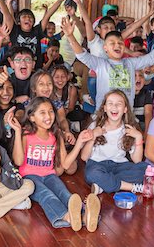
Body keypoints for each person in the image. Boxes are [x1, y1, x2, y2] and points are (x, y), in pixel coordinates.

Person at [10, 97, 96, 231]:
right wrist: (17, 132)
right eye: (42, 112)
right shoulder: (26, 135)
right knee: (46, 195)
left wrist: (79, 142)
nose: (48, 116)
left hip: (49, 175)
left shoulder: (56, 135)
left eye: (50, 112)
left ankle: (85, 216)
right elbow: (18, 161)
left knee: (64, 193)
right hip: (29, 177)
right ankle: (67, 217)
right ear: (32, 117)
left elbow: (66, 164)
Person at [80, 89, 154, 199]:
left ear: (125, 109)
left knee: (146, 168)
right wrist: (93, 136)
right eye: (110, 103)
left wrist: (139, 138)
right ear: (104, 108)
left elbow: (137, 160)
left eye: (119, 104)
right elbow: (84, 157)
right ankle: (135, 187)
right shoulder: (95, 126)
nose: (114, 107)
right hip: (97, 164)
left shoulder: (128, 129)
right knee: (91, 174)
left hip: (120, 166)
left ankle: (103, 185)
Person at [65, 17, 154, 109]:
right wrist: (70, 36)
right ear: (105, 48)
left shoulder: (131, 63)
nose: (117, 45)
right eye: (112, 43)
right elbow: (82, 55)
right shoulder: (100, 64)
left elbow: (151, 58)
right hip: (104, 115)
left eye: (120, 43)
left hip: (126, 115)